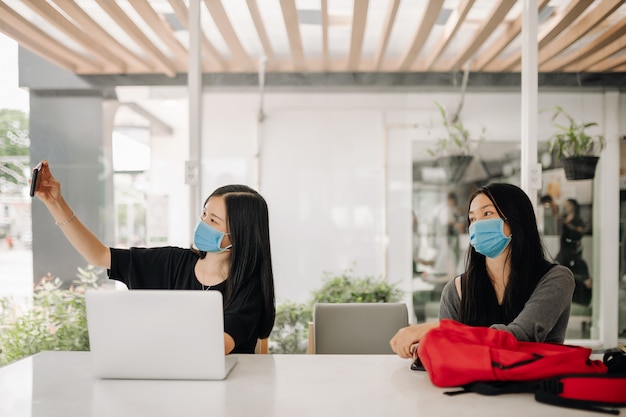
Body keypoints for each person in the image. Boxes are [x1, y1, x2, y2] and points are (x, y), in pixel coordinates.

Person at [33, 160, 275, 354]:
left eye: (213, 220)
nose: (203, 223)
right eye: (204, 214)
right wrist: (56, 203)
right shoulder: (171, 262)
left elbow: (215, 347)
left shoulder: (248, 289)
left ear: (240, 236)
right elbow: (98, 255)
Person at [390, 183, 575, 359]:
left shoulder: (556, 279)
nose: (477, 225)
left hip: (536, 389)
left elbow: (520, 337)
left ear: (516, 219)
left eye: (487, 213)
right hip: (471, 390)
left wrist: (437, 330)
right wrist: (426, 347)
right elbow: (448, 354)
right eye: (472, 218)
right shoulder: (456, 290)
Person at [555, 198, 592, 306]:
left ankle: (577, 297)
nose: (566, 207)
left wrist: (568, 224)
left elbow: (579, 231)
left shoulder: (576, 220)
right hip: (565, 249)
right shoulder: (565, 217)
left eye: (568, 205)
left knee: (571, 272)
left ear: (573, 206)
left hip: (572, 249)